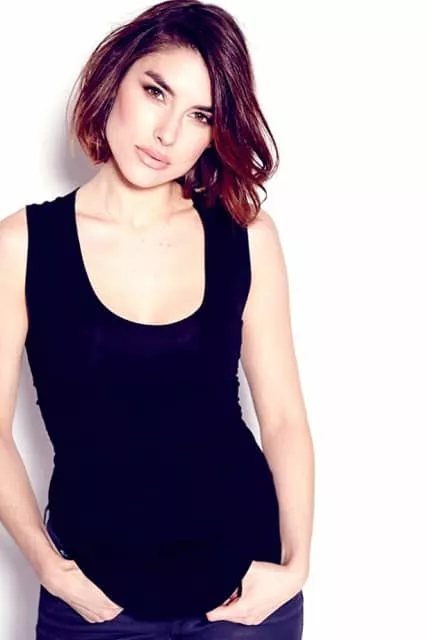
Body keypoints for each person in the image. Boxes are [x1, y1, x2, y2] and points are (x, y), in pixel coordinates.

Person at [0, 0, 314, 638]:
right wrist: (49, 568)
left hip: (243, 595)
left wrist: (296, 564)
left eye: (200, 115)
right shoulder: (23, 245)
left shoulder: (246, 236)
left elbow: (282, 416)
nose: (167, 133)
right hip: (94, 599)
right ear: (114, 78)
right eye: (156, 92)